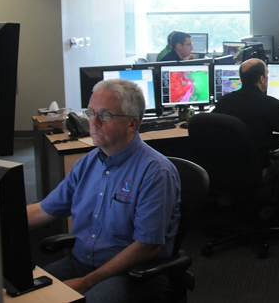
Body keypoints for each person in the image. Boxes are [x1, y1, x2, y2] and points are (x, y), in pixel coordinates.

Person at [27, 78, 181, 303]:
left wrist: (87, 281)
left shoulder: (155, 172)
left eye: (105, 115)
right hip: (79, 263)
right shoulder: (87, 162)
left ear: (132, 124)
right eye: (90, 113)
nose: (94, 122)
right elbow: (43, 211)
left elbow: (146, 246)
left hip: (129, 273)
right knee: (25, 294)